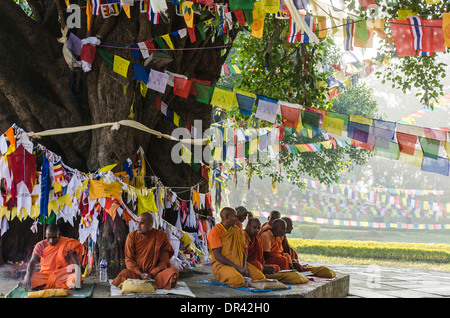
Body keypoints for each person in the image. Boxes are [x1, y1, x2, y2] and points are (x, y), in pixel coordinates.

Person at [112, 212, 179, 290]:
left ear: (150, 224)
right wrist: (140, 274)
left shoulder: (161, 236)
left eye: (142, 223)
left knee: (173, 272)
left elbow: (164, 262)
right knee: (123, 274)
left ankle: (140, 284)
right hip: (136, 274)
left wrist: (151, 273)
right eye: (137, 223)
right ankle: (149, 285)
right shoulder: (132, 236)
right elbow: (129, 259)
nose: (138, 226)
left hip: (154, 275)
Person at [207, 207, 265, 287]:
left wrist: (244, 267)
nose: (236, 219)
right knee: (237, 280)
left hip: (240, 265)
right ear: (226, 217)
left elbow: (243, 251)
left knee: (260, 277)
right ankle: (224, 277)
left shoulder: (238, 231)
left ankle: (238, 277)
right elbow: (218, 256)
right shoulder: (215, 232)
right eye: (234, 216)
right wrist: (237, 268)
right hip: (222, 266)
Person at [23, 224, 83, 291]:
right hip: (45, 275)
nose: (51, 240)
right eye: (49, 237)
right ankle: (55, 285)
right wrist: (28, 275)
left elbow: (76, 263)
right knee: (29, 278)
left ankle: (46, 286)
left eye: (54, 237)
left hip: (62, 275)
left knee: (76, 278)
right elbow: (32, 261)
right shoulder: (40, 245)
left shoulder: (66, 244)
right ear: (45, 235)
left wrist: (77, 279)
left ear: (59, 235)